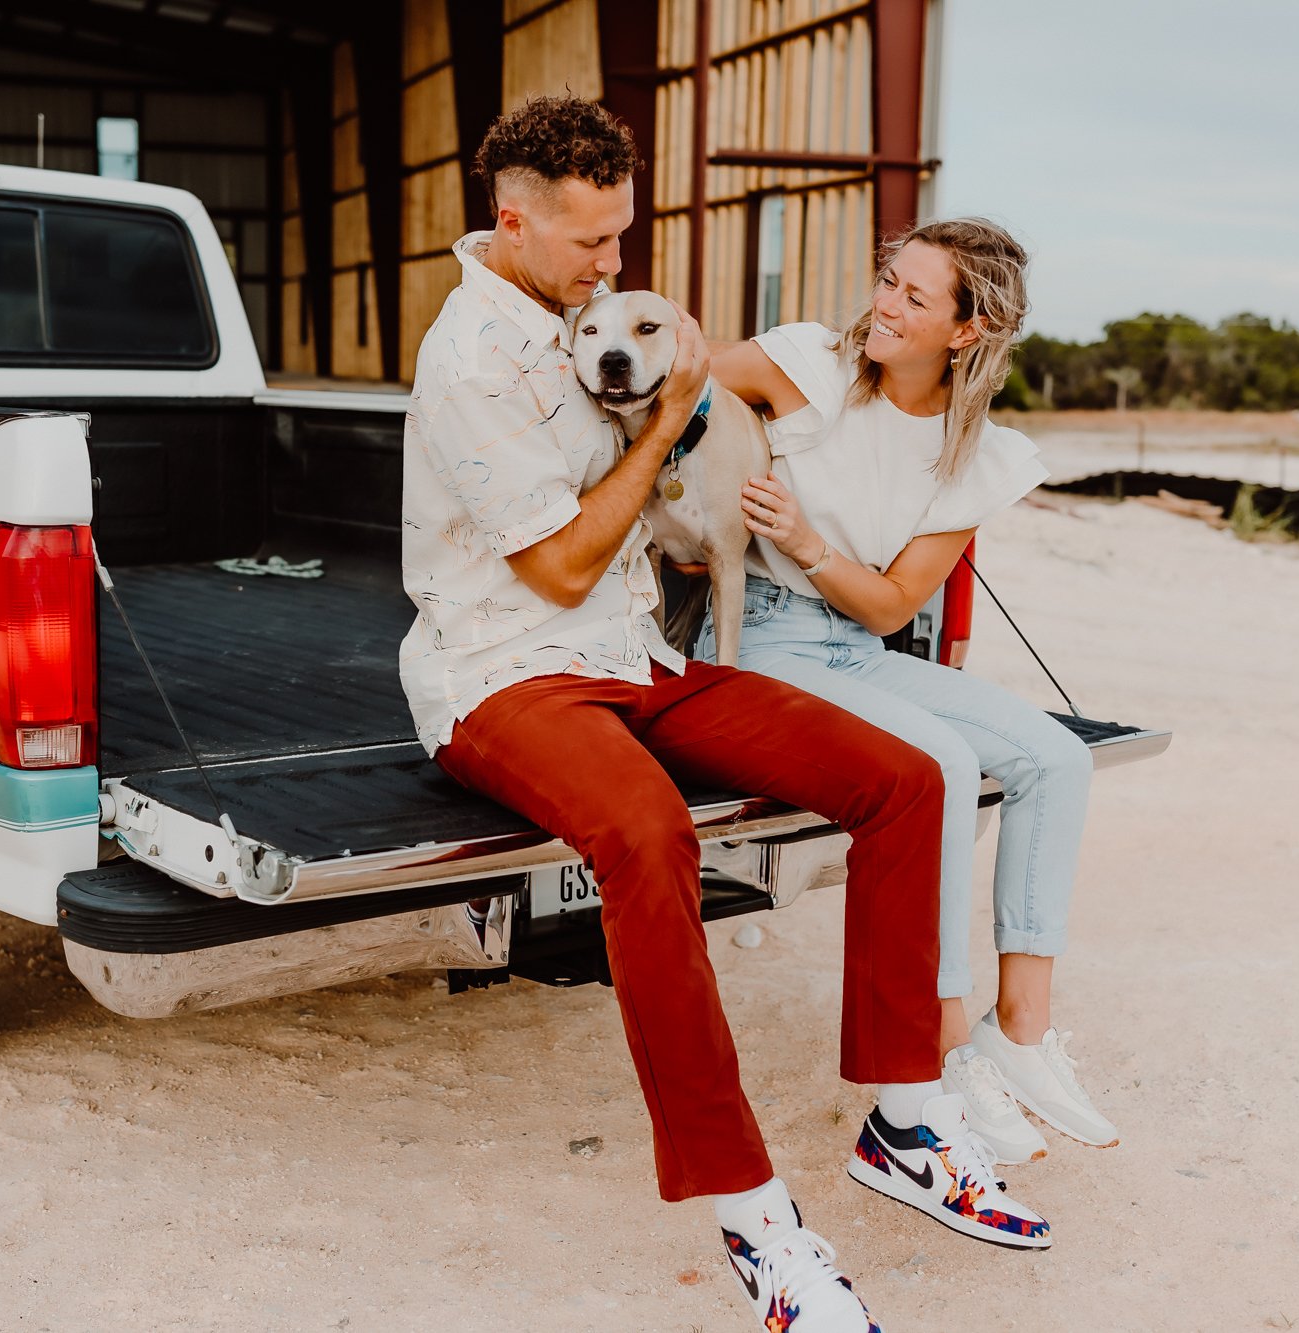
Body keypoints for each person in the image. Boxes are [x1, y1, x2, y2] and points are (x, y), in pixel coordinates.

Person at [400, 98, 1052, 1332]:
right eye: (592, 243)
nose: (614, 265)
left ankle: (905, 1120)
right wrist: (668, 416)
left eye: (622, 238)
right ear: (512, 221)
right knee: (649, 836)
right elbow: (556, 569)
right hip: (500, 673)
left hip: (632, 656)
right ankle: (754, 1215)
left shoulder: (577, 316)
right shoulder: (470, 356)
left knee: (907, 778)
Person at [700, 219, 1119, 1168]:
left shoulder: (972, 452)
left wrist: (810, 542)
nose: (885, 305)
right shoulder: (805, 363)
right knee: (944, 760)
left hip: (852, 639)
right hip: (758, 633)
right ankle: (941, 1044)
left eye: (914, 297)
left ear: (964, 334)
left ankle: (1016, 1035)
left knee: (1056, 754)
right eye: (889, 280)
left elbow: (890, 605)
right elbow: (670, 381)